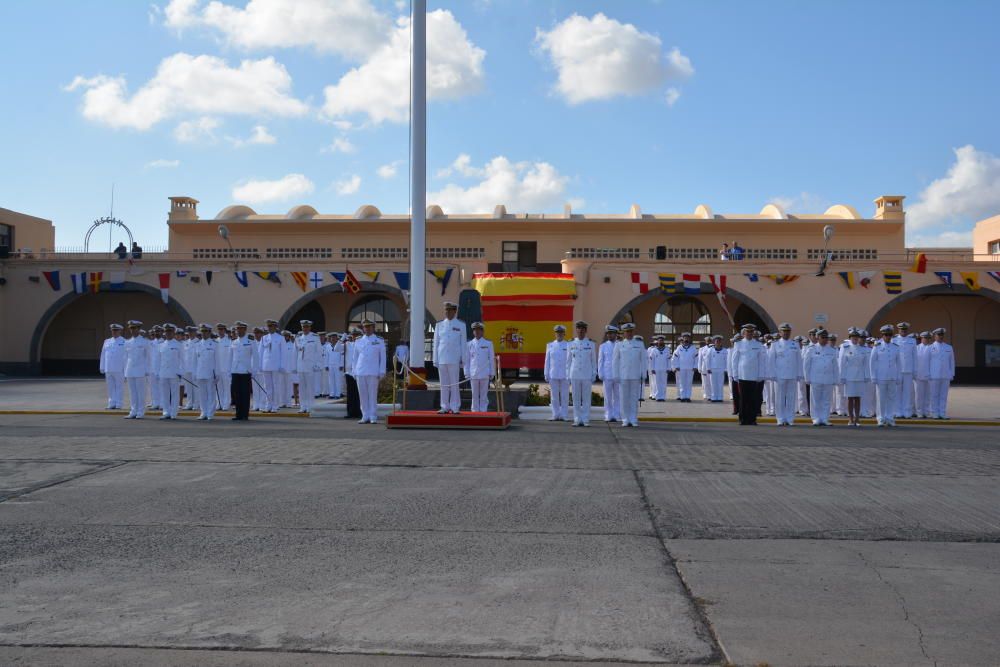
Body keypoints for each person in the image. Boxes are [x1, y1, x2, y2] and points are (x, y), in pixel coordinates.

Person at [433, 301, 467, 414]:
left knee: (454, 384)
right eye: (446, 310)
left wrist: (463, 359)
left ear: (455, 311)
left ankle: (455, 406)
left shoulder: (461, 325)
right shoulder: (439, 325)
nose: (447, 312)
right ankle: (444, 406)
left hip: (454, 358)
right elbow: (436, 343)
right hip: (442, 357)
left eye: (450, 310)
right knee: (444, 384)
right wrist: (435, 359)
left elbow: (463, 343)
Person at [731, 324, 767, 425]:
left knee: (753, 398)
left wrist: (761, 374)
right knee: (743, 398)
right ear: (744, 332)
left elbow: (761, 361)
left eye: (751, 332)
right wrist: (735, 374)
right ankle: (742, 419)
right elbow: (735, 360)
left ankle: (752, 419)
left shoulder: (758, 344)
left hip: (754, 375)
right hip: (742, 375)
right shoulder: (738, 344)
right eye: (748, 332)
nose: (750, 334)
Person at [612, 322, 647, 427]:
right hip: (623, 375)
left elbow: (643, 360)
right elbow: (615, 361)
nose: (629, 333)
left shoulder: (639, 344)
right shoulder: (619, 345)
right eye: (627, 332)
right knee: (624, 398)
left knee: (634, 397)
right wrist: (616, 375)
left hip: (635, 375)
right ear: (623, 333)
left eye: (631, 331)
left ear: (633, 332)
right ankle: (625, 419)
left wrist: (643, 374)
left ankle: (633, 418)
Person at [767, 323, 802, 426]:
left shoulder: (795, 344)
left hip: (792, 374)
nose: (786, 333)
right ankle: (780, 418)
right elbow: (771, 361)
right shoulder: (775, 344)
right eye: (784, 331)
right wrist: (772, 374)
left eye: (788, 331)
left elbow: (799, 361)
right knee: (779, 398)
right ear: (780, 332)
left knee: (791, 397)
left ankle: (790, 418)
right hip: (779, 375)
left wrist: (799, 374)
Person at [353, 319, 386, 424]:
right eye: (365, 327)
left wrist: (382, 371)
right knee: (362, 395)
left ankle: (373, 416)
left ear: (373, 328)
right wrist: (354, 371)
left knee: (372, 394)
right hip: (360, 371)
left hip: (373, 371)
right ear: (363, 328)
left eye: (369, 327)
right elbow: (355, 358)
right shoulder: (358, 341)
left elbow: (383, 357)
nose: (367, 329)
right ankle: (365, 415)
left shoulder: (379, 340)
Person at [803, 329, 838, 426]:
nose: (825, 339)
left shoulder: (832, 350)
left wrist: (836, 378)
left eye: (826, 338)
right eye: (823, 337)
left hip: (828, 378)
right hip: (815, 378)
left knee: (826, 400)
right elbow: (807, 364)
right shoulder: (811, 349)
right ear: (818, 338)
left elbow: (835, 366)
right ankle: (816, 418)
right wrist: (807, 377)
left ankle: (825, 418)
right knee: (815, 400)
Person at [870, 325, 902, 427]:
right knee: (881, 398)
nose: (888, 337)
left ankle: (890, 418)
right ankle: (880, 418)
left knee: (891, 398)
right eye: (886, 335)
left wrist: (898, 376)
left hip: (892, 376)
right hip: (881, 376)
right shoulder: (877, 346)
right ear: (882, 335)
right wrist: (873, 376)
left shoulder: (895, 347)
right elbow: (872, 362)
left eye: (889, 335)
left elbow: (899, 363)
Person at [567, 320, 597, 427]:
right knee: (575, 398)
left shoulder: (591, 344)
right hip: (574, 374)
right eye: (578, 329)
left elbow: (593, 360)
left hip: (586, 374)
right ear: (576, 330)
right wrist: (567, 375)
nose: (580, 331)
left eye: (582, 329)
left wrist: (594, 373)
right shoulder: (570, 343)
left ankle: (585, 419)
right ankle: (576, 419)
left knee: (586, 398)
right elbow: (568, 361)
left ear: (585, 331)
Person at [839, 328, 871, 427]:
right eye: (853, 337)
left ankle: (857, 418)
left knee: (858, 398)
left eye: (857, 337)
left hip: (860, 376)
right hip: (849, 377)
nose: (855, 339)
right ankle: (850, 418)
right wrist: (842, 376)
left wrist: (867, 376)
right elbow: (842, 363)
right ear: (850, 338)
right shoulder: (845, 347)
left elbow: (866, 364)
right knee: (850, 399)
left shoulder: (863, 349)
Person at [464, 323, 495, 412]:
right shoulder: (469, 344)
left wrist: (492, 372)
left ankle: (483, 411)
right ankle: (474, 411)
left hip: (485, 372)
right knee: (474, 394)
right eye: (475, 330)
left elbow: (491, 359)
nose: (477, 332)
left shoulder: (488, 343)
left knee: (483, 395)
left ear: (482, 331)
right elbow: (467, 360)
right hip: (473, 373)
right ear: (473, 332)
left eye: (479, 330)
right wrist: (466, 373)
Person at [123, 320, 150, 419]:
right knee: (132, 392)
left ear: (139, 329)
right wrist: (125, 371)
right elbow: (125, 358)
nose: (132, 330)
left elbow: (148, 357)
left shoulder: (145, 342)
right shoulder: (127, 342)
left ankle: (140, 412)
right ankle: (133, 411)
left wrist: (147, 370)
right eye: (131, 328)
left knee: (141, 392)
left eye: (134, 328)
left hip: (140, 370)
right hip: (130, 370)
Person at [230, 321, 256, 421]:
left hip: (246, 371)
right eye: (237, 329)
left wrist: (253, 370)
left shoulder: (250, 341)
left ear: (245, 330)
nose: (239, 331)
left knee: (245, 394)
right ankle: (238, 414)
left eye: (241, 329)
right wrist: (230, 370)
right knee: (236, 394)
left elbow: (255, 357)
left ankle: (245, 414)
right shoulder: (234, 342)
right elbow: (230, 358)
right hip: (235, 370)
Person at [295, 320, 323, 414]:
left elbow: (319, 352)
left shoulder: (315, 337)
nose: (305, 329)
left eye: (307, 327)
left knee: (310, 387)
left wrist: (318, 364)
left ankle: (310, 406)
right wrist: (294, 366)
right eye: (303, 327)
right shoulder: (298, 338)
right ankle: (303, 406)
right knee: (301, 388)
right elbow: (295, 353)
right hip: (300, 366)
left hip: (310, 366)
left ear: (310, 327)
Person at [927, 327, 955, 419]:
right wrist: (928, 374)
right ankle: (934, 412)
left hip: (945, 374)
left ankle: (942, 413)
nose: (940, 337)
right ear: (934, 336)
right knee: (934, 395)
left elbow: (952, 361)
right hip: (934, 375)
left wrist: (952, 374)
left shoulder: (948, 347)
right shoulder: (930, 348)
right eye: (938, 335)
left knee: (943, 395)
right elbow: (927, 362)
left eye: (942, 335)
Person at [544, 324, 570, 421]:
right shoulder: (550, 345)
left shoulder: (568, 345)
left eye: (561, 333)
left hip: (565, 374)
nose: (559, 334)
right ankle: (555, 414)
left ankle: (564, 415)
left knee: (564, 396)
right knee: (554, 396)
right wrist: (546, 373)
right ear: (555, 334)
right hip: (553, 373)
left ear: (564, 334)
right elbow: (547, 360)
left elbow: (570, 360)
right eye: (557, 333)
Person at [157, 324, 183, 420]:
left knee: (174, 393)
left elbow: (182, 360)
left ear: (174, 332)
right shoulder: (161, 345)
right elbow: (158, 360)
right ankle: (166, 412)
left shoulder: (178, 345)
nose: (168, 333)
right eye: (167, 331)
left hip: (174, 372)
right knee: (165, 393)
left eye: (170, 331)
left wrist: (180, 371)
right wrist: (157, 372)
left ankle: (174, 412)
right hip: (163, 372)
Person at [893, 322, 917, 419]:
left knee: (907, 392)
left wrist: (915, 370)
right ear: (898, 330)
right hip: (897, 370)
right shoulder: (894, 340)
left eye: (905, 330)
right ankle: (898, 411)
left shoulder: (912, 341)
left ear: (907, 330)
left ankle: (907, 412)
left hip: (908, 370)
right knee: (897, 392)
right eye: (901, 330)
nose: (903, 331)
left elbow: (914, 357)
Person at [258, 319, 283, 413]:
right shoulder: (264, 338)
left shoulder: (280, 338)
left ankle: (275, 405)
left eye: (271, 326)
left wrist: (282, 365)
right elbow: (260, 352)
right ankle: (268, 405)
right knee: (267, 386)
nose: (270, 328)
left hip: (276, 365)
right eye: (268, 326)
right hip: (266, 365)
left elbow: (283, 353)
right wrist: (260, 365)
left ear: (275, 327)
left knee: (275, 385)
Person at [100, 323, 126, 409]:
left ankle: (119, 404)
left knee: (119, 387)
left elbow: (126, 356)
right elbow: (103, 355)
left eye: (116, 330)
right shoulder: (107, 341)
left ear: (120, 331)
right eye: (113, 330)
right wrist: (102, 366)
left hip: (119, 368)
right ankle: (111, 403)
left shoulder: (124, 341)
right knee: (110, 387)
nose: (114, 332)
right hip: (108, 368)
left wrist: (126, 369)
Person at [194, 324, 218, 420]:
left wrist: (218, 373)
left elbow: (218, 360)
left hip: (210, 372)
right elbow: (195, 360)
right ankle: (203, 412)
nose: (204, 333)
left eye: (206, 331)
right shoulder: (197, 344)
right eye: (202, 331)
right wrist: (194, 373)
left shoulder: (215, 344)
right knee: (202, 394)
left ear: (209, 332)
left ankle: (210, 413)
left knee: (211, 393)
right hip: (200, 372)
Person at [598, 325, 620, 423]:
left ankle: (616, 414)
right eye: (608, 333)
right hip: (607, 374)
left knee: (617, 396)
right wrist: (600, 372)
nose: (610, 335)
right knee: (607, 397)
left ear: (616, 334)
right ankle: (608, 414)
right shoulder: (603, 346)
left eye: (612, 333)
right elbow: (600, 361)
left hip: (618, 375)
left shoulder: (620, 345)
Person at [671, 332, 698, 402]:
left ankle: (688, 397)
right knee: (682, 383)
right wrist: (676, 366)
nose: (686, 339)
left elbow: (696, 358)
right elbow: (675, 357)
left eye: (687, 338)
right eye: (685, 338)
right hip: (681, 368)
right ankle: (683, 397)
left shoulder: (693, 348)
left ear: (689, 339)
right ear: (683, 339)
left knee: (689, 383)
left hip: (690, 368)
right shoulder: (679, 347)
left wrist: (695, 366)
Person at [704, 335, 729, 402]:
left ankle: (720, 397)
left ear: (721, 342)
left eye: (719, 341)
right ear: (714, 342)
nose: (718, 342)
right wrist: (708, 368)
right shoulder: (710, 350)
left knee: (720, 384)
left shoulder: (725, 350)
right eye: (716, 341)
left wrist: (726, 369)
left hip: (721, 369)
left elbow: (727, 360)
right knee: (713, 384)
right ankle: (714, 397)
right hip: (712, 369)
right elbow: (707, 359)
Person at [914, 331, 933, 418]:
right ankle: (919, 412)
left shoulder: (932, 348)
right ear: (921, 338)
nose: (927, 340)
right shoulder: (916, 348)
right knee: (919, 395)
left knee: (928, 395)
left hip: (929, 375)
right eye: (925, 338)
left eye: (928, 338)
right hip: (918, 375)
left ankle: (926, 411)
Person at [214, 323, 232, 410]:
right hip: (218, 368)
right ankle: (219, 403)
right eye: (219, 330)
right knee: (218, 387)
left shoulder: (229, 341)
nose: (220, 331)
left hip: (226, 368)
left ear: (225, 330)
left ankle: (226, 403)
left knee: (226, 387)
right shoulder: (215, 342)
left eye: (222, 329)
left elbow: (231, 357)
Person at [647, 336, 671, 401]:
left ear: (663, 341)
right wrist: (652, 369)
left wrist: (669, 368)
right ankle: (657, 396)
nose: (660, 342)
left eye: (662, 340)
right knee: (657, 383)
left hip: (664, 369)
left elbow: (669, 360)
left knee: (663, 383)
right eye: (659, 340)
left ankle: (662, 397)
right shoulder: (654, 350)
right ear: (657, 341)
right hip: (656, 369)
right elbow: (652, 360)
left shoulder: (667, 349)